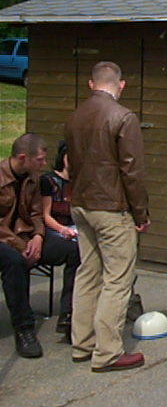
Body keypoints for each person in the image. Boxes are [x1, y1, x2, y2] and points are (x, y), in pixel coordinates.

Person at [64, 62, 150, 371]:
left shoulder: (75, 116)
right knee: (117, 279)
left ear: (91, 84)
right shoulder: (123, 117)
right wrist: (140, 212)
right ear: (121, 84)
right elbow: (132, 171)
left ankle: (82, 343)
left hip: (81, 203)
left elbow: (70, 162)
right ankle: (108, 352)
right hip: (112, 207)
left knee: (88, 273)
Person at [0, 134, 57, 358]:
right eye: (40, 159)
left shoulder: (33, 178)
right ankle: (24, 328)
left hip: (25, 235)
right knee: (14, 261)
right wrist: (19, 245)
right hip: (6, 239)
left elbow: (36, 213)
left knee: (72, 250)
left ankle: (71, 319)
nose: (44, 164)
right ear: (23, 157)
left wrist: (38, 237)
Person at [38, 140, 83, 341]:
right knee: (75, 252)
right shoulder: (48, 181)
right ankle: (67, 313)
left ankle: (80, 309)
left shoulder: (79, 181)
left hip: (75, 228)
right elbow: (45, 215)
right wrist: (62, 229)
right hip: (52, 229)